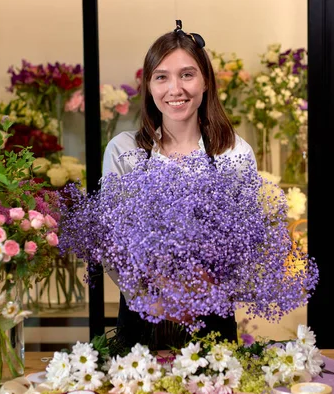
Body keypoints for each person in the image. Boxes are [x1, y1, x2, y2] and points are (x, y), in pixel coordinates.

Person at [102, 20, 256, 350]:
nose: (176, 89)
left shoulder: (234, 153)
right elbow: (111, 244)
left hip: (211, 317)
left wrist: (207, 290)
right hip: (141, 318)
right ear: (149, 86)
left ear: (205, 83)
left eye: (187, 74)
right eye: (162, 77)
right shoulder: (125, 151)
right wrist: (148, 296)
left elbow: (248, 245)